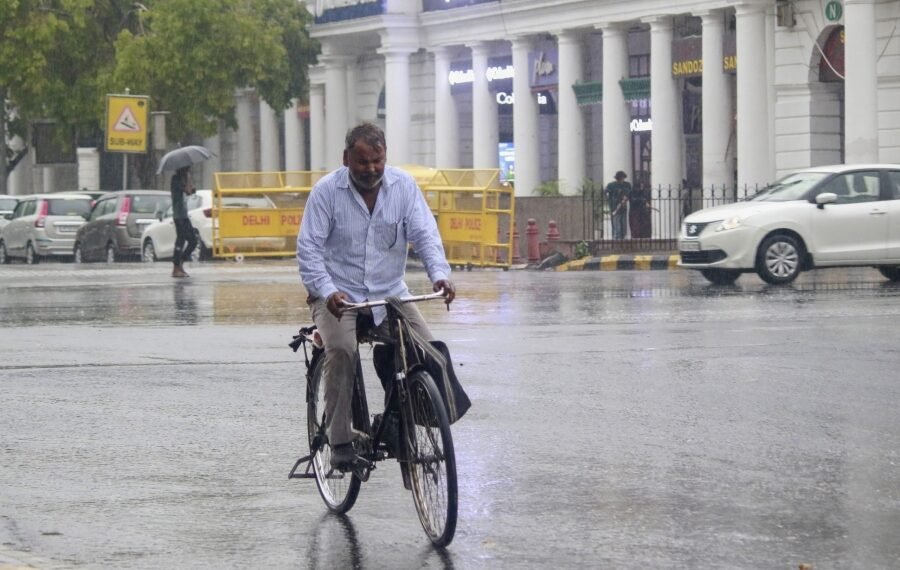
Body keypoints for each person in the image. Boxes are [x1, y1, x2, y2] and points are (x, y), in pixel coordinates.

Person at [296, 122, 455, 470]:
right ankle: (340, 440)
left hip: (390, 294)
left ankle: (401, 420)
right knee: (341, 349)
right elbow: (308, 251)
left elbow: (425, 235)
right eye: (362, 162)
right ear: (346, 159)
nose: (370, 169)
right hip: (338, 296)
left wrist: (440, 275)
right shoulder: (326, 192)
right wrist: (327, 291)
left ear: (385, 157)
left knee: (429, 353)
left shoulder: (403, 187)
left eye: (377, 161)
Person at [170, 166, 197, 278]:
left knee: (193, 241)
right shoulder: (175, 179)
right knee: (180, 241)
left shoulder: (182, 179)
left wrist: (189, 181)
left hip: (184, 215)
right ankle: (176, 268)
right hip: (178, 216)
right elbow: (188, 190)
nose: (188, 170)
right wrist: (188, 178)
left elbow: (190, 191)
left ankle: (181, 262)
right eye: (187, 169)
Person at [605, 170, 631, 240]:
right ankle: (616, 240)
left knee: (623, 226)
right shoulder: (611, 185)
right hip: (615, 207)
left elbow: (629, 193)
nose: (622, 179)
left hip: (623, 207)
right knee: (617, 226)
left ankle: (622, 239)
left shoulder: (627, 185)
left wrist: (626, 198)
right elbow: (605, 192)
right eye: (621, 178)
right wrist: (610, 200)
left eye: (623, 178)